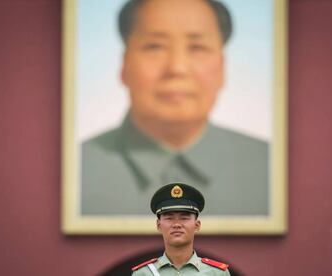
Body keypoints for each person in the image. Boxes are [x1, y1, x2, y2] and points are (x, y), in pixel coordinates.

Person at [81, 0, 269, 215]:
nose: (177, 68)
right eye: (155, 46)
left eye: (197, 47)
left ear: (223, 67)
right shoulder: (76, 172)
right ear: (124, 66)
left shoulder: (271, 169)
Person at [132, 183, 231, 275]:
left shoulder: (217, 273)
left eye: (184, 218)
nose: (177, 224)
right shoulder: (143, 273)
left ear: (197, 225)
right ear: (159, 225)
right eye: (169, 218)